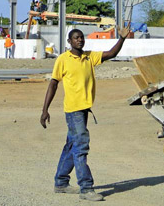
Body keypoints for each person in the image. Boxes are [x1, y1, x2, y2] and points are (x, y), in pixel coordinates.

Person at [40, 24, 131, 202]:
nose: (80, 40)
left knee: (72, 145)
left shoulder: (89, 57)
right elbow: (53, 84)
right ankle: (86, 187)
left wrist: (122, 38)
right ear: (69, 41)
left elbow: (110, 54)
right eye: (76, 37)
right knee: (81, 145)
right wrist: (45, 110)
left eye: (82, 37)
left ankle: (61, 182)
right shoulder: (63, 59)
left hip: (84, 109)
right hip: (73, 110)